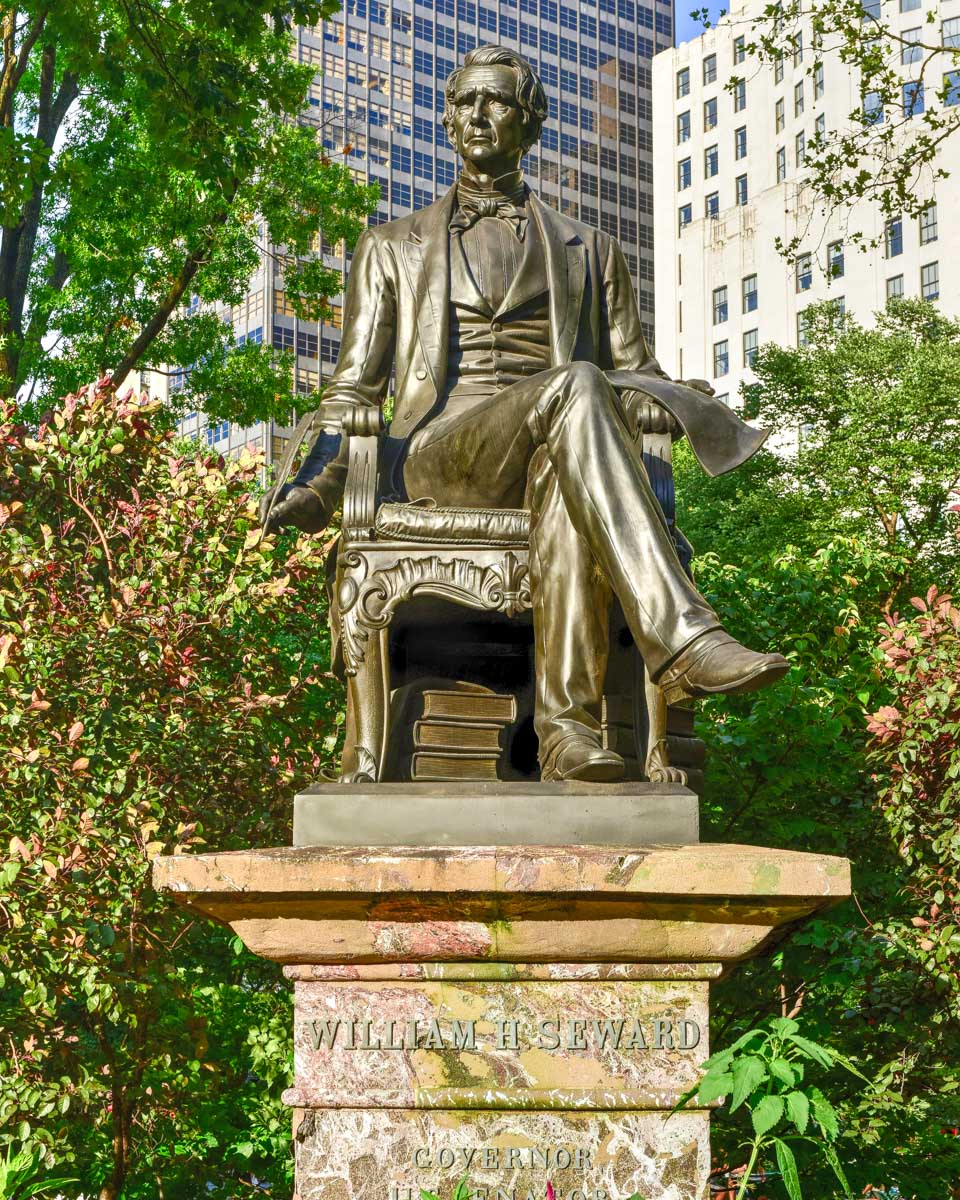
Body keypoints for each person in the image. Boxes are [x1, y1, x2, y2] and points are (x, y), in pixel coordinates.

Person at [260, 44, 788, 782]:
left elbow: (635, 373)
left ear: (529, 120)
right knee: (576, 383)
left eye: (498, 102)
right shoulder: (389, 246)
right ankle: (687, 641)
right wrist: (316, 484)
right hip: (439, 456)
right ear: (448, 120)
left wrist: (677, 398)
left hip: (559, 455)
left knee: (573, 459)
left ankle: (568, 734)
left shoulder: (591, 250)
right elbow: (353, 387)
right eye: (466, 101)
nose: (479, 114)